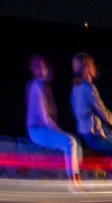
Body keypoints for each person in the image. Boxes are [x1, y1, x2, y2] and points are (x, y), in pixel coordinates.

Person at [26, 55, 81, 185]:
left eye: (42, 66)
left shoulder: (45, 87)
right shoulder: (36, 86)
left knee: (75, 143)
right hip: (36, 130)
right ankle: (73, 183)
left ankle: (77, 179)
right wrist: (58, 131)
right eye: (36, 67)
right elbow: (44, 117)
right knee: (69, 141)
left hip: (44, 129)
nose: (40, 69)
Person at [69, 53, 112, 158]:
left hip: (83, 131)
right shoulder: (89, 88)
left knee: (110, 145)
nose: (94, 68)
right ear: (87, 68)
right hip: (93, 135)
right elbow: (103, 111)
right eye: (92, 65)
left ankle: (111, 170)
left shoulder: (76, 87)